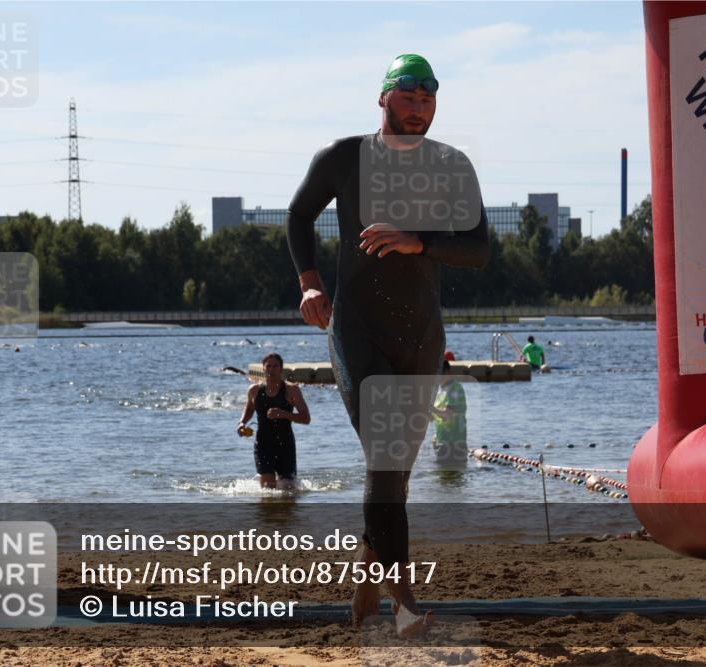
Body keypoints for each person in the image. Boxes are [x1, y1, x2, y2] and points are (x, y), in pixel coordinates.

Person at [285, 53, 489, 637]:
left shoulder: (451, 166)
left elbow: (478, 249)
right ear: (383, 99)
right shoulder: (345, 157)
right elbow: (299, 216)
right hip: (356, 329)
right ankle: (403, 607)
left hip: (421, 334)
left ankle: (366, 583)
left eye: (428, 99)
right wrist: (308, 283)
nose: (419, 108)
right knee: (384, 456)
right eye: (408, 97)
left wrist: (417, 242)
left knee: (395, 473)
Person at [237, 353, 310, 491]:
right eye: (268, 366)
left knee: (288, 490)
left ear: (281, 369)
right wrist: (241, 424)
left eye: (275, 366)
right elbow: (249, 410)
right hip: (263, 443)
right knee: (267, 489)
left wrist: (284, 414)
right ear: (263, 369)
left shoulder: (291, 390)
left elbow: (306, 418)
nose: (271, 369)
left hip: (285, 444)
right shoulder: (254, 390)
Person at [430, 361, 468, 469]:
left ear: (447, 372)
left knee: (454, 481)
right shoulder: (440, 389)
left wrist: (430, 408)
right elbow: (435, 417)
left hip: (454, 445)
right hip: (442, 443)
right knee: (442, 482)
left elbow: (448, 415)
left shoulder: (455, 388)